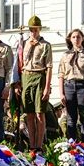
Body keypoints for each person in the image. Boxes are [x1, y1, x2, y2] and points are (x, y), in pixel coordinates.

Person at [18, 15, 53, 151]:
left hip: (39, 77)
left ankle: (39, 144)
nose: (34, 32)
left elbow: (49, 67)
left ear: (40, 29)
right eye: (31, 29)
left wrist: (46, 87)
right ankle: (32, 145)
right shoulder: (23, 44)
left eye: (36, 29)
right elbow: (19, 64)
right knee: (29, 114)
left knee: (40, 113)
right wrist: (18, 83)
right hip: (26, 77)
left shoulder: (45, 45)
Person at [57, 28, 84, 140]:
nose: (76, 39)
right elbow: (61, 75)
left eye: (78, 37)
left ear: (82, 38)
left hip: (83, 86)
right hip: (69, 86)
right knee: (71, 118)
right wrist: (61, 94)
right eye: (73, 37)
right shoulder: (65, 55)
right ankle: (72, 144)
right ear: (70, 39)